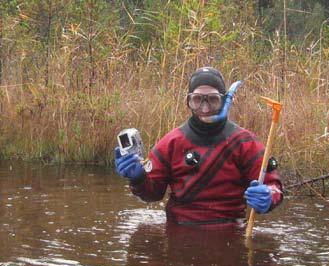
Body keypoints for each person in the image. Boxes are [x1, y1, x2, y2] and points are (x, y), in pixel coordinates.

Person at [114, 67, 284, 226]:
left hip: (231, 233)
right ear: (188, 101)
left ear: (224, 100)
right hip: (180, 235)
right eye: (197, 100)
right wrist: (138, 178)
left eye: (212, 100)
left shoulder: (245, 143)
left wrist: (268, 196)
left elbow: (274, 186)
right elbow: (152, 194)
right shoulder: (171, 143)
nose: (205, 107)